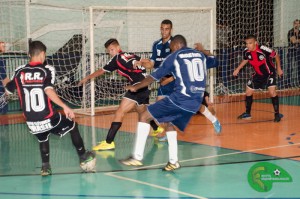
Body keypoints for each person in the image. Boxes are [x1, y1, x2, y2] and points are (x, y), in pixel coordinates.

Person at [119, 35, 219, 171]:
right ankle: (173, 161)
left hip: (181, 99)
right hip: (195, 102)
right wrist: (204, 50)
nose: (171, 51)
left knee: (144, 116)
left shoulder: (175, 56)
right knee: (169, 123)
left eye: (172, 48)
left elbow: (153, 77)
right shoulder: (199, 55)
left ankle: (137, 157)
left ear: (177, 46)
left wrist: (135, 87)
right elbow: (215, 60)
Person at [2, 40, 95, 176]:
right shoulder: (47, 70)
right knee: (73, 125)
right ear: (43, 54)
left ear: (29, 54)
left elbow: (8, 91)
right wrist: (65, 107)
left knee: (42, 137)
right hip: (48, 117)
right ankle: (83, 156)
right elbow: (48, 90)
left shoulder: (19, 71)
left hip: (30, 121)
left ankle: (45, 167)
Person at [78, 38, 149, 151]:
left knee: (120, 112)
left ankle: (109, 142)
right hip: (145, 86)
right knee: (142, 112)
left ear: (117, 47)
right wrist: (140, 62)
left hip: (137, 87)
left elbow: (101, 71)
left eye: (111, 50)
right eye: (109, 51)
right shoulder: (131, 54)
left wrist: (87, 78)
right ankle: (156, 129)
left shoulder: (118, 58)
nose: (110, 53)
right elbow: (140, 62)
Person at [133, 19, 174, 137]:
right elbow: (151, 64)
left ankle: (212, 118)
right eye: (162, 28)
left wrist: (171, 79)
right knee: (161, 110)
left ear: (171, 30)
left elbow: (179, 65)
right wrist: (141, 63)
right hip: (163, 82)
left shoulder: (175, 44)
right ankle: (166, 133)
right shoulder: (156, 45)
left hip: (174, 81)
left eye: (167, 29)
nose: (164, 31)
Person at [233, 34, 284, 122]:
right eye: (246, 43)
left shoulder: (263, 49)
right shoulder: (246, 51)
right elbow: (246, 59)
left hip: (269, 73)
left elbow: (276, 55)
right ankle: (247, 114)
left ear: (255, 43)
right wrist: (238, 69)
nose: (248, 45)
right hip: (258, 74)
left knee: (272, 92)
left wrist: (279, 68)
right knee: (248, 91)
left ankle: (277, 114)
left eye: (250, 43)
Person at [286, 19, 300, 87]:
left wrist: (296, 40)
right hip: (291, 51)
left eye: (298, 24)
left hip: (298, 51)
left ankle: (298, 82)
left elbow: (295, 40)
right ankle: (288, 83)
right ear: (293, 24)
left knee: (298, 67)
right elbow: (293, 41)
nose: (297, 25)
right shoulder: (290, 32)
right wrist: (298, 40)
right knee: (290, 67)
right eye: (295, 23)